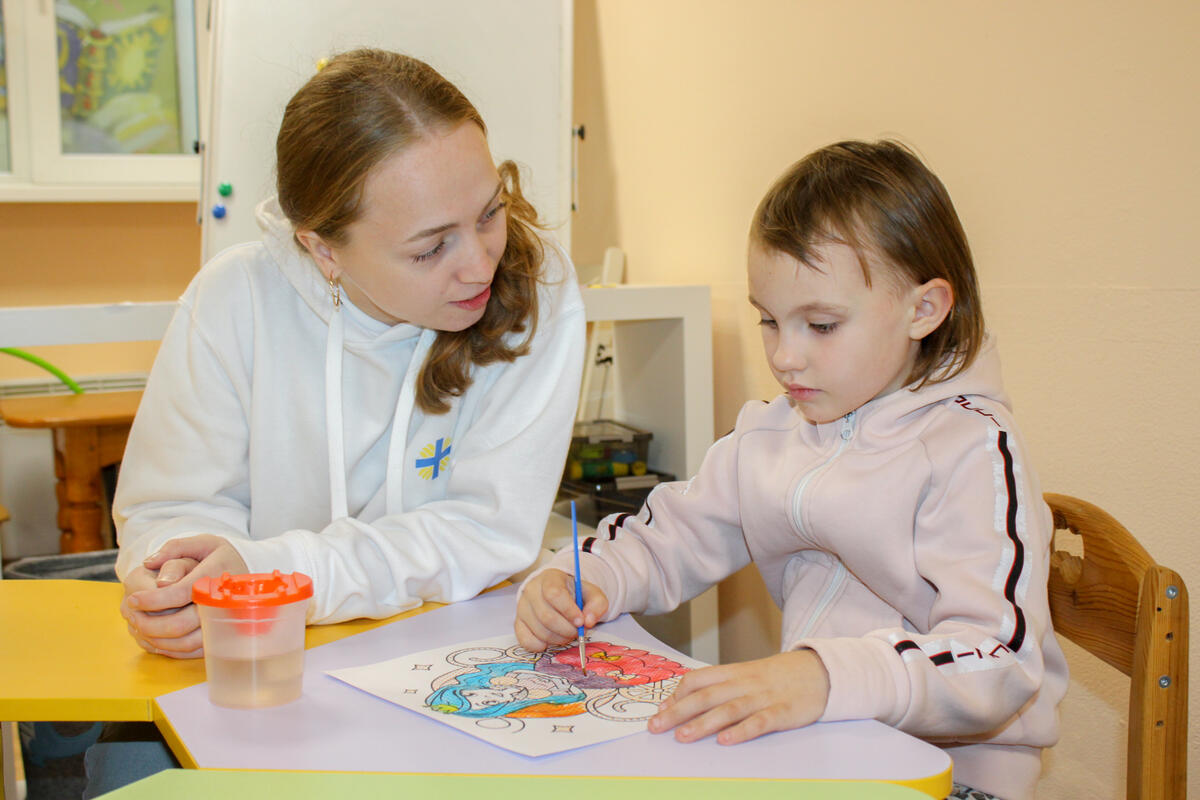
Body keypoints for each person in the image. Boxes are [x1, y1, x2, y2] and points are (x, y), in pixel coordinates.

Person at [515, 140, 1067, 800]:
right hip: (825, 752)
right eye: (770, 321)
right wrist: (578, 578)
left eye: (821, 325)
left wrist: (823, 677)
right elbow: (667, 538)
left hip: (957, 775)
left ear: (923, 310)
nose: (785, 357)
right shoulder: (774, 433)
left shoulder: (971, 448)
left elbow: (999, 660)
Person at [112, 48, 584, 654]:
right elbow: (171, 507)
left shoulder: (536, 289)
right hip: (269, 652)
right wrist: (179, 577)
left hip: (457, 646)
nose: (479, 265)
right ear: (324, 251)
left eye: (491, 212)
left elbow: (485, 531)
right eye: (430, 248)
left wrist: (275, 577)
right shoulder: (235, 300)